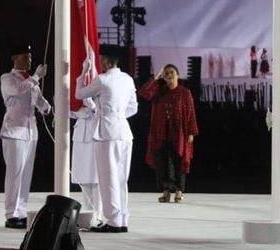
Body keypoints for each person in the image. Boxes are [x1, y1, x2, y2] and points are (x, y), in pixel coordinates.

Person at [75, 46, 138, 233]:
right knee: (121, 179)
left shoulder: (103, 80)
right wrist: (116, 116)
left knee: (108, 177)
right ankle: (122, 218)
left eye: (101, 59)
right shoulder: (127, 79)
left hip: (106, 133)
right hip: (124, 132)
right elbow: (133, 108)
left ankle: (112, 221)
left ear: (107, 61)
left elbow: (79, 94)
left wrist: (82, 75)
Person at [0, 44, 50, 229]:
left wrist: (46, 107)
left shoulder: (31, 80)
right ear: (14, 58)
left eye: (29, 57)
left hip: (30, 132)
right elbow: (18, 90)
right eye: (24, 57)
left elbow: (37, 99)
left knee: (26, 174)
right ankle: (11, 214)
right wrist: (37, 77)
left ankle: (20, 211)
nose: (29, 60)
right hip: (14, 132)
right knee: (15, 174)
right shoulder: (8, 78)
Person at [138, 64, 199, 204]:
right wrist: (156, 77)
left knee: (179, 161)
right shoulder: (159, 92)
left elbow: (190, 113)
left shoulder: (185, 92)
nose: (169, 75)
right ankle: (165, 192)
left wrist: (191, 132)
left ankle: (179, 191)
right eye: (166, 73)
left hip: (179, 134)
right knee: (162, 163)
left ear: (178, 75)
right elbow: (144, 93)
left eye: (172, 72)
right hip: (161, 133)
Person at [69, 95, 102, 229]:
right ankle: (89, 215)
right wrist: (77, 112)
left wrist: (93, 108)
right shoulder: (78, 87)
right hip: (80, 134)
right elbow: (67, 109)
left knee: (96, 178)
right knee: (83, 178)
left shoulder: (101, 84)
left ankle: (98, 216)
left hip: (96, 132)